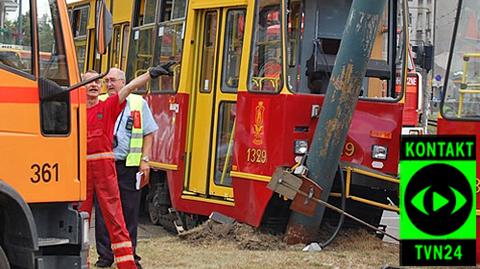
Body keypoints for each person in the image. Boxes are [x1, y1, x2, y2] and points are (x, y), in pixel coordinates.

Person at [81, 64, 172, 269]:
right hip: (82, 168)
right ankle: (83, 260)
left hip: (107, 167)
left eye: (98, 81)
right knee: (81, 217)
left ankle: (127, 262)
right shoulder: (74, 109)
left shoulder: (107, 105)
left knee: (116, 215)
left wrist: (150, 74)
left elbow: (129, 87)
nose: (95, 85)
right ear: (81, 86)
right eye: (89, 82)